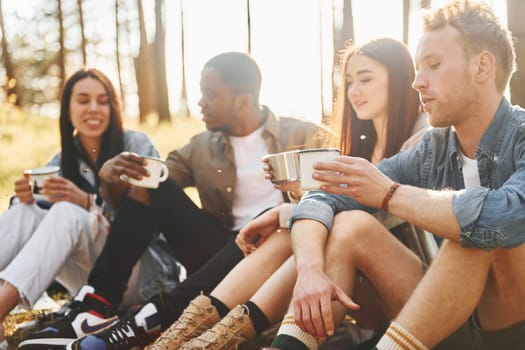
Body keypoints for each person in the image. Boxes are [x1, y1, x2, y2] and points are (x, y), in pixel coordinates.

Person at [18, 52, 330, 350]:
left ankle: (148, 318)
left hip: (283, 249)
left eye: (210, 94)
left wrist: (296, 196)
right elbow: (146, 195)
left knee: (277, 218)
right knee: (150, 181)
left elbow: (336, 198)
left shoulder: (305, 135)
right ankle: (98, 304)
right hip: (219, 249)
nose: (200, 103)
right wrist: (109, 178)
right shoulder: (199, 147)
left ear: (243, 100)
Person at [133, 37, 428, 350]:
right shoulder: (363, 147)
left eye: (365, 79)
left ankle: (212, 340)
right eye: (349, 81)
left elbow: (375, 219)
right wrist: (296, 201)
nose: (354, 90)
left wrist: (283, 212)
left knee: (324, 226)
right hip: (362, 294)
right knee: (297, 229)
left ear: (399, 78)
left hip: (414, 294)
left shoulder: (421, 139)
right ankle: (192, 338)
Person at [268, 1, 525, 350]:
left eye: (433, 66)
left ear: (482, 66)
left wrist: (388, 194)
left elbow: (505, 218)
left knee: (475, 234)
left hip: (512, 328)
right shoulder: (432, 148)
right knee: (351, 225)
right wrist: (309, 269)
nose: (418, 82)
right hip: (445, 323)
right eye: (418, 69)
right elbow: (323, 194)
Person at [0, 68, 161, 348]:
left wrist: (89, 202)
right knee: (26, 210)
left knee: (67, 212)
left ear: (113, 106)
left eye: (102, 100)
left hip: (137, 275)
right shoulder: (63, 159)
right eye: (83, 100)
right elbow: (32, 221)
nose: (94, 109)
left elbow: (152, 220)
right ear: (68, 109)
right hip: (86, 281)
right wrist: (23, 197)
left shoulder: (136, 145)